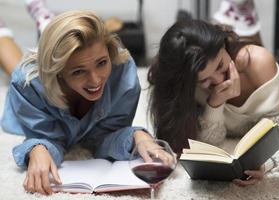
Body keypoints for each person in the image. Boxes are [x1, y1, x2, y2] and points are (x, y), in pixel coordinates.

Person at [1, 10, 166, 195]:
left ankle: (44, 18)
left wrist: (138, 137)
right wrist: (37, 147)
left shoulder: (123, 76)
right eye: (78, 71)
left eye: (102, 63)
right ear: (59, 71)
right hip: (35, 74)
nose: (95, 80)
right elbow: (50, 139)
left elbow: (106, 137)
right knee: (13, 63)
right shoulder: (28, 86)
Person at [147, 19, 279, 186]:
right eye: (205, 80)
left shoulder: (258, 63)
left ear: (224, 44)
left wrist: (266, 164)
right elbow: (208, 146)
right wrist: (215, 105)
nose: (219, 80)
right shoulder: (188, 86)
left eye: (220, 65)